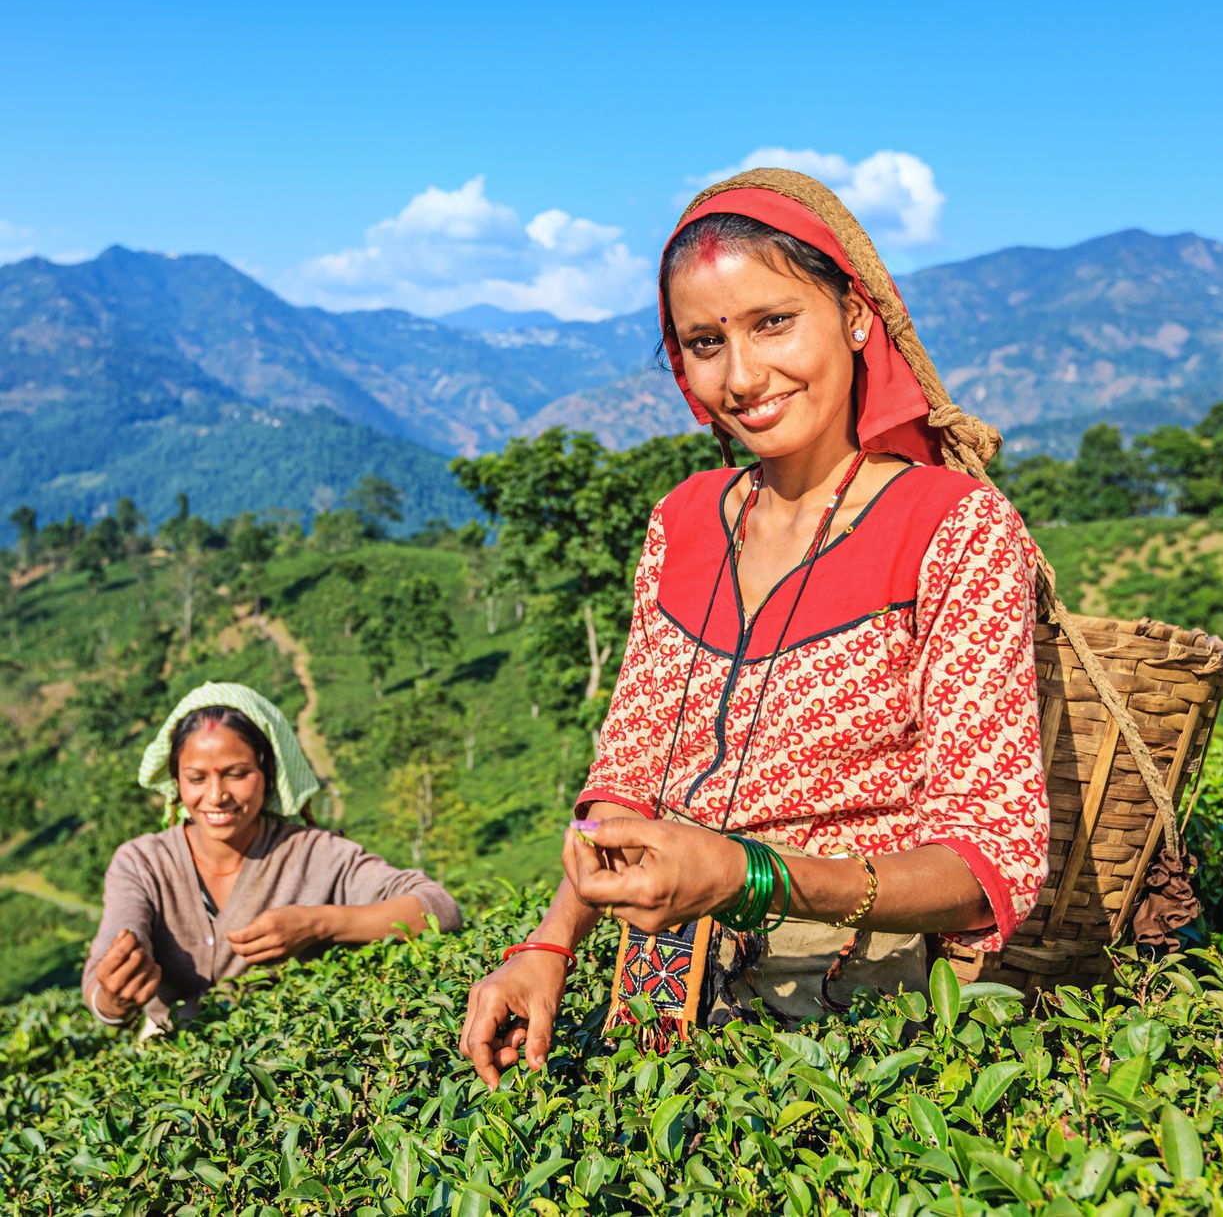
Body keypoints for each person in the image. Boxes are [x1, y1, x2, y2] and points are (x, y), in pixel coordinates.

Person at [460, 168, 1049, 1087]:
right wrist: (549, 947)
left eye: (774, 322)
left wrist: (751, 875)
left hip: (861, 1025)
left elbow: (986, 859)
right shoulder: (684, 521)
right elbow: (626, 782)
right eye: (704, 342)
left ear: (855, 316)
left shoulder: (953, 527)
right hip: (656, 1005)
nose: (741, 376)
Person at [83, 682, 462, 1030]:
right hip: (176, 1071)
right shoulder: (142, 862)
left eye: (236, 774)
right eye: (197, 778)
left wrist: (318, 924)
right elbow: (102, 968)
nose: (216, 796)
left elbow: (436, 909)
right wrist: (114, 998)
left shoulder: (314, 854)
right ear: (176, 783)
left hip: (288, 1063)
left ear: (267, 773)